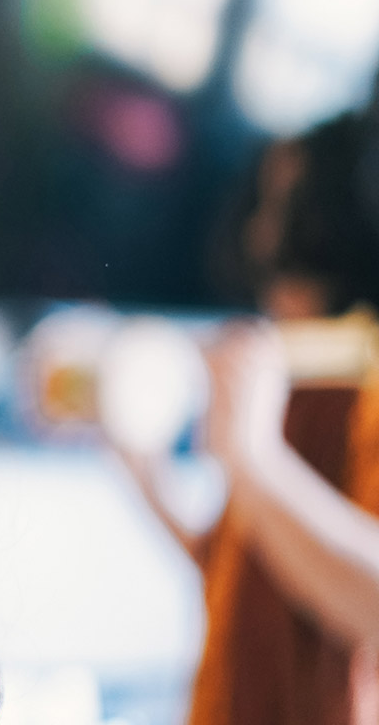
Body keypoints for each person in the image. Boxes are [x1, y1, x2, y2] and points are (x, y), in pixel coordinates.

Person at [108, 110, 379, 725]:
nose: (260, 238)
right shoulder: (285, 380)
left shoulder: (365, 397)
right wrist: (139, 464)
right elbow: (241, 578)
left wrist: (256, 462)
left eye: (289, 209)